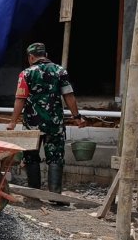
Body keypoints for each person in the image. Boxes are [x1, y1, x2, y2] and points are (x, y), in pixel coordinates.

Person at [7, 43, 86, 194]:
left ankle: (34, 193)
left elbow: (20, 99)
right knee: (56, 157)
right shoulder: (60, 71)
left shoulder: (26, 74)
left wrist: (12, 122)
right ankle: (55, 195)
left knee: (30, 156)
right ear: (46, 55)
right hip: (54, 123)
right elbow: (69, 95)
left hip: (32, 124)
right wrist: (77, 117)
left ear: (31, 57)